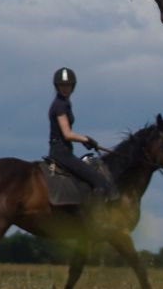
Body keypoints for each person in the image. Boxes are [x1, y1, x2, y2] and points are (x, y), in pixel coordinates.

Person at [47, 67, 115, 200]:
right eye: (62, 85)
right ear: (57, 86)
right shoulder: (60, 105)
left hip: (63, 151)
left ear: (73, 86)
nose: (65, 88)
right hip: (62, 153)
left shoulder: (63, 103)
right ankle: (95, 219)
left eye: (68, 85)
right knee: (99, 182)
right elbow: (67, 134)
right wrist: (86, 139)